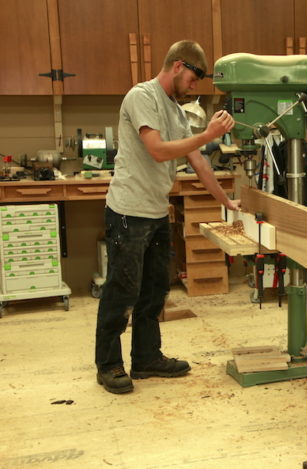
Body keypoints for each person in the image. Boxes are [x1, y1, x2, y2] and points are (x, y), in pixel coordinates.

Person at [95, 40, 240, 394]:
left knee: (154, 290)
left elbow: (199, 162)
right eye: (193, 78)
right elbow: (158, 151)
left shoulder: (176, 110)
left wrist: (227, 202)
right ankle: (109, 365)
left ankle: (146, 358)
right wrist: (208, 134)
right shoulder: (141, 97)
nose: (194, 86)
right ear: (178, 65)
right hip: (128, 212)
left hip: (156, 212)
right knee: (121, 291)